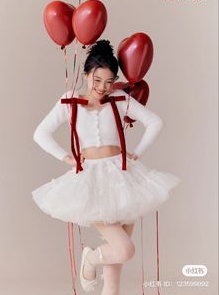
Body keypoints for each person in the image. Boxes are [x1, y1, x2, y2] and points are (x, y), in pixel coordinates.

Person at [32, 39, 181, 294]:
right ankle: (90, 258)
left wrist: (137, 154)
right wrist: (66, 158)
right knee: (124, 250)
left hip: (122, 176)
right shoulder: (69, 101)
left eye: (109, 82)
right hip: (92, 179)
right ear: (86, 74)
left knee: (116, 266)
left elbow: (155, 122)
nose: (103, 87)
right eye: (97, 80)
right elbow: (41, 134)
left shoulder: (120, 98)